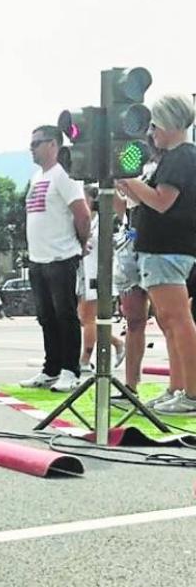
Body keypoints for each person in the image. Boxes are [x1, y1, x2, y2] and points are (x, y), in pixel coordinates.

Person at [116, 95, 196, 413]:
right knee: (168, 320)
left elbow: (162, 201)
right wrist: (128, 183)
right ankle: (178, 387)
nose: (151, 133)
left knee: (177, 319)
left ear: (170, 123)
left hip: (169, 249)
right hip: (161, 249)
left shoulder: (180, 157)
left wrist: (130, 180)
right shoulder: (175, 157)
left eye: (155, 125)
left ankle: (191, 393)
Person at [20, 124, 91, 392]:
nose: (32, 149)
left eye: (36, 143)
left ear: (53, 144)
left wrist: (80, 243)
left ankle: (70, 370)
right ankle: (51, 369)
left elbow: (82, 214)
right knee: (46, 317)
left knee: (65, 315)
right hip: (38, 259)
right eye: (31, 144)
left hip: (61, 257)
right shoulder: (37, 176)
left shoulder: (64, 176)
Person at [112, 139, 161, 406]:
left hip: (159, 243)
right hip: (131, 239)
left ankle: (183, 386)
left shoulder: (166, 165)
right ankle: (131, 385)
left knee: (169, 319)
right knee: (133, 319)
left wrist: (129, 183)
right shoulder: (131, 162)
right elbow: (124, 207)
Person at [75, 188, 124, 371]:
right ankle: (117, 342)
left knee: (89, 317)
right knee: (85, 317)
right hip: (83, 272)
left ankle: (85, 360)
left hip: (96, 274)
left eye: (85, 198)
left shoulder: (102, 223)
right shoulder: (85, 223)